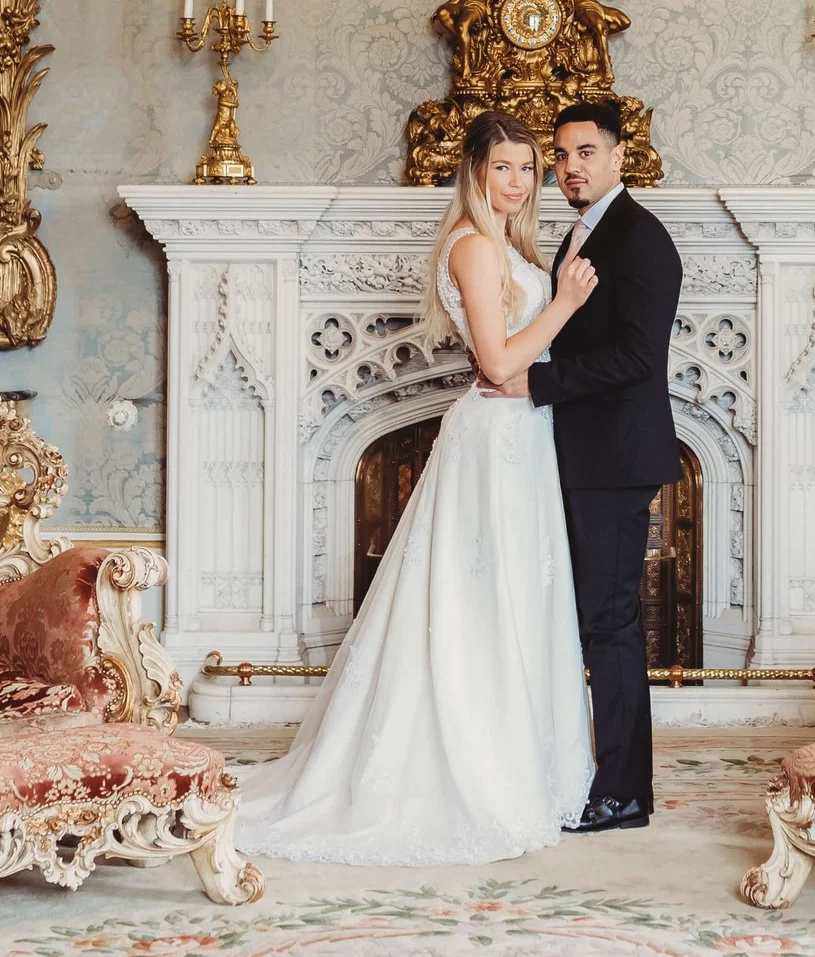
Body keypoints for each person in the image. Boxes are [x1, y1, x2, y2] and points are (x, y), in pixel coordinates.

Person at [233, 110, 599, 864]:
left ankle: (532, 765)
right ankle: (473, 771)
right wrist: (563, 303)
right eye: (505, 166)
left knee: (522, 595)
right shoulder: (471, 245)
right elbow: (498, 364)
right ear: (475, 171)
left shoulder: (513, 245)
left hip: (525, 437)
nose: (522, 180)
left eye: (529, 168)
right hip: (493, 438)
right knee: (478, 601)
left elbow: (520, 366)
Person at [481, 97, 683, 833]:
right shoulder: (582, 232)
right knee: (585, 619)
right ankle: (587, 771)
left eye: (585, 152)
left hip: (614, 458)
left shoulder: (641, 239)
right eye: (560, 156)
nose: (569, 168)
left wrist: (532, 382)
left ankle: (625, 789)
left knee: (610, 622)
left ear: (621, 153)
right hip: (573, 453)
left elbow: (636, 356)